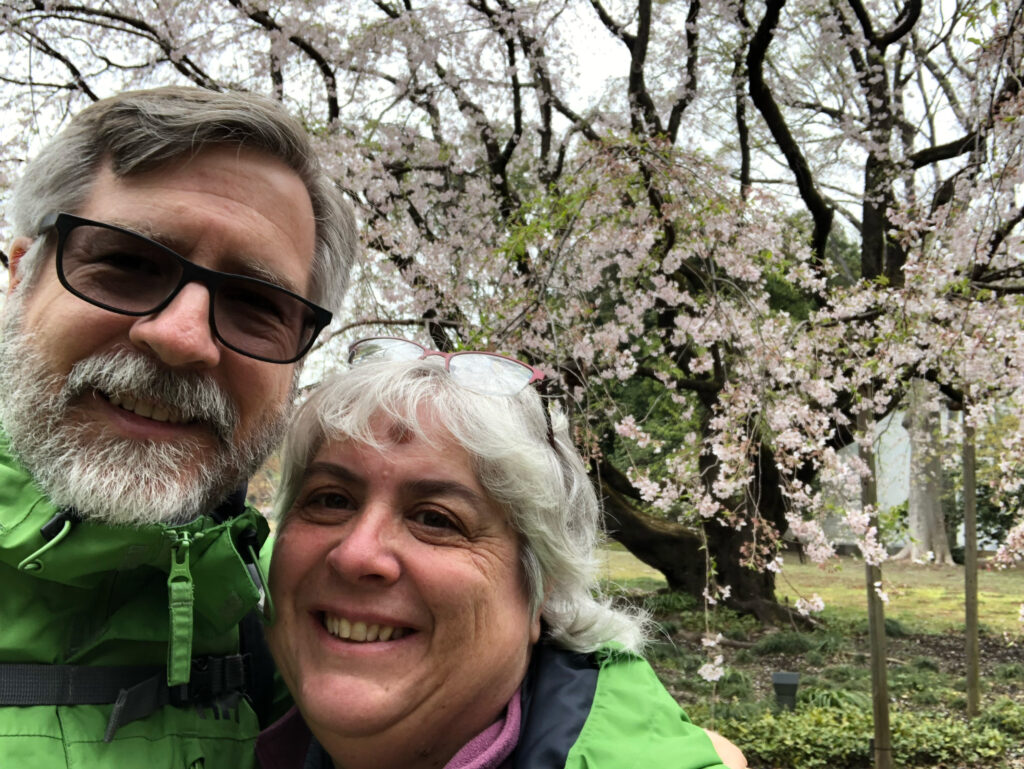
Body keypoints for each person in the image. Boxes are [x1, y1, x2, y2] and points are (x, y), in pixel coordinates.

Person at [0, 86, 357, 767]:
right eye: (128, 264)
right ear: (20, 279)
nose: (183, 337)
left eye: (256, 302)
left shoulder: (296, 628)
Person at [259, 337, 747, 769]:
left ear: (542, 584)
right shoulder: (221, 700)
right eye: (330, 500)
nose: (356, 554)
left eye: (435, 519)